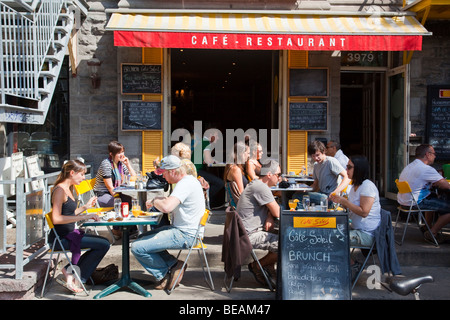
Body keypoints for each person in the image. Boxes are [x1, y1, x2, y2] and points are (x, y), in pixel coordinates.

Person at [131, 155, 205, 291]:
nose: (163, 177)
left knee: (137, 247)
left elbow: (167, 207)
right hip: (186, 230)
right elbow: (171, 202)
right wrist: (162, 199)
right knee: (141, 238)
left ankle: (164, 273)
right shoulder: (187, 181)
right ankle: (174, 264)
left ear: (172, 171)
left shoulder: (185, 183)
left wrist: (155, 201)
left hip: (186, 234)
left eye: (163, 173)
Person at [50, 160, 110, 293]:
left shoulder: (68, 188)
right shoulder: (60, 191)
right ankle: (78, 277)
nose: (84, 178)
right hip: (61, 238)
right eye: (82, 174)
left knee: (104, 242)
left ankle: (70, 270)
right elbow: (56, 219)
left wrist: (85, 208)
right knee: (104, 244)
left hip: (70, 234)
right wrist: (84, 217)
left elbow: (69, 213)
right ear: (72, 173)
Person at [236, 159, 281, 287]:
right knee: (286, 244)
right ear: (269, 175)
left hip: (246, 231)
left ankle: (268, 269)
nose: (280, 178)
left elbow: (272, 211)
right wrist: (272, 215)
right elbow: (278, 212)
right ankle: (257, 265)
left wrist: (269, 216)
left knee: (279, 234)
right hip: (249, 235)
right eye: (278, 175)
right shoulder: (261, 188)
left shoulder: (257, 184)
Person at [397, 144, 450, 244]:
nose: (435, 156)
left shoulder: (410, 166)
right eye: (434, 154)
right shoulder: (426, 169)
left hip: (404, 201)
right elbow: (446, 186)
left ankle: (427, 226)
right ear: (427, 154)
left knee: (432, 195)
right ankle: (432, 233)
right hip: (415, 202)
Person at [94, 141, 136, 239]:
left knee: (129, 200)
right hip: (102, 194)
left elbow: (134, 177)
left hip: (114, 192)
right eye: (119, 153)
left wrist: (128, 164)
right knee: (120, 203)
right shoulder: (106, 164)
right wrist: (119, 198)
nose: (122, 155)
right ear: (111, 154)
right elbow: (110, 187)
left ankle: (129, 230)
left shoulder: (121, 164)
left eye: (123, 152)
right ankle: (118, 230)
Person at [306, 140, 351, 206]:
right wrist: (305, 189)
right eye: (313, 156)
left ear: (323, 151)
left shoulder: (330, 161)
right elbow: (315, 185)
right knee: (299, 195)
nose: (316, 158)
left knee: (299, 197)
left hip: (330, 196)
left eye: (318, 155)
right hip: (321, 193)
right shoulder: (316, 165)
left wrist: (336, 191)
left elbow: (347, 177)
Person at [224, 141, 250, 208]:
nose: (249, 156)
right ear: (241, 153)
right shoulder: (236, 170)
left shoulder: (233, 167)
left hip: (238, 205)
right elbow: (241, 193)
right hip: (240, 206)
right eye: (248, 153)